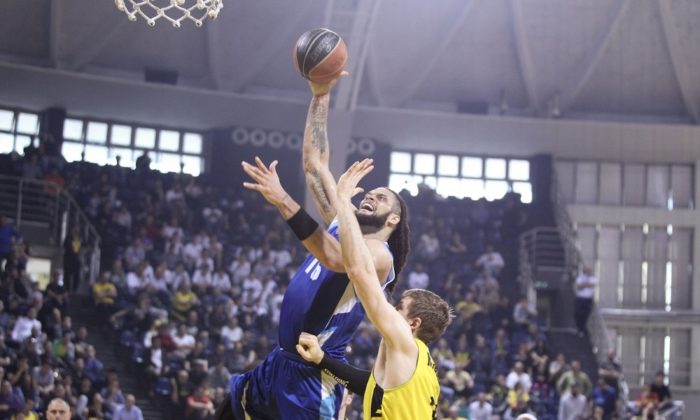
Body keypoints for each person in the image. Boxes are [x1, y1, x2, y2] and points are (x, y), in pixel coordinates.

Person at [221, 76, 410, 420]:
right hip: (280, 361)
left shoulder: (380, 255)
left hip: (312, 376)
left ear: (393, 219)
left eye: (381, 198)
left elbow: (337, 259)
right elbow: (314, 162)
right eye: (370, 192)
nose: (370, 196)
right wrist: (320, 94)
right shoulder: (342, 224)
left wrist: (283, 199)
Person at [295, 159, 452, 419]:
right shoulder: (422, 366)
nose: (391, 308)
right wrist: (322, 359)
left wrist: (343, 199)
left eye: (399, 307)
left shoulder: (404, 342)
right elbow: (369, 384)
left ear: (413, 324)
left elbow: (358, 271)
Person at [574, 267, 598, 336]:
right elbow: (579, 286)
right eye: (587, 271)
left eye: (589, 271)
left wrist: (583, 285)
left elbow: (592, 285)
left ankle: (582, 330)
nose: (588, 272)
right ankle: (579, 328)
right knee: (577, 314)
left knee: (585, 315)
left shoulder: (593, 279)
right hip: (580, 298)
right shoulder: (580, 278)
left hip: (588, 299)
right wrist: (587, 285)